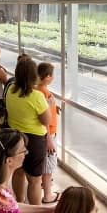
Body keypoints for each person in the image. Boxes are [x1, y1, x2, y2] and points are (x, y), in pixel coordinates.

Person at [5, 59, 52, 213]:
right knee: (34, 180)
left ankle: (19, 205)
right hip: (34, 140)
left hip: (15, 137)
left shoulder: (10, 90)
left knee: (18, 172)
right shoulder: (37, 96)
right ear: (35, 76)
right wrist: (50, 104)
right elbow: (46, 120)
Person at [36, 62, 60, 203]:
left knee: (46, 166)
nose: (53, 77)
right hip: (48, 134)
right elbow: (42, 118)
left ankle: (46, 191)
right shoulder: (42, 92)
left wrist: (54, 107)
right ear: (47, 77)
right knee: (47, 168)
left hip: (48, 134)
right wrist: (49, 139)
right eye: (52, 75)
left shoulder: (38, 89)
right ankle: (47, 196)